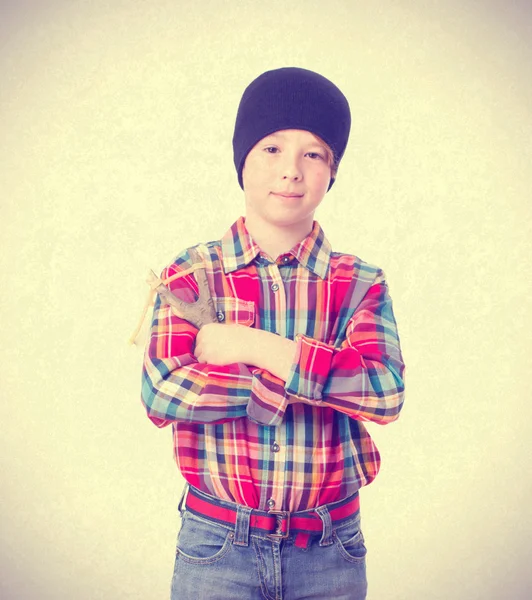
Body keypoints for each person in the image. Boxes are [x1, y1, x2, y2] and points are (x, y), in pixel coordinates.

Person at [141, 66, 405, 600]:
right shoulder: (192, 275)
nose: (291, 171)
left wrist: (252, 347)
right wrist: (296, 382)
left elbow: (383, 393)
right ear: (242, 160)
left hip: (330, 547)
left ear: (332, 172)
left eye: (313, 154)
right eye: (271, 149)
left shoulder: (358, 284)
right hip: (216, 545)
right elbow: (162, 392)